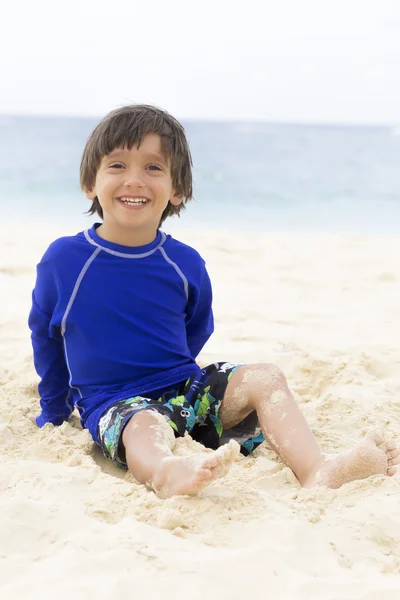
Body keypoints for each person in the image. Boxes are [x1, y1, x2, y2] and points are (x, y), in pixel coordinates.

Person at [29, 105, 398, 498]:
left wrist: (183, 378)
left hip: (186, 389)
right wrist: (54, 409)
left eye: (153, 168)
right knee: (145, 426)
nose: (134, 180)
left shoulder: (184, 262)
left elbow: (197, 325)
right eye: (117, 165)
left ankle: (317, 468)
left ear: (177, 190)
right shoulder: (66, 260)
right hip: (116, 403)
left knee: (266, 377)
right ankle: (166, 471)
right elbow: (46, 335)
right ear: (90, 183)